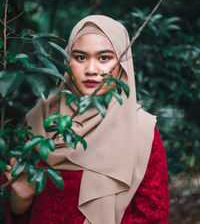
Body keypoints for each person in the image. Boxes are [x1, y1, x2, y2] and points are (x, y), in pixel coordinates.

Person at [2, 15, 169, 223]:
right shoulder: (40, 119)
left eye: (104, 58)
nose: (91, 70)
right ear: (66, 61)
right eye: (80, 57)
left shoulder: (142, 131)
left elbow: (153, 216)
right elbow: (14, 211)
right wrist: (21, 201)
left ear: (122, 64)